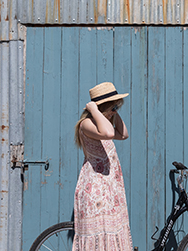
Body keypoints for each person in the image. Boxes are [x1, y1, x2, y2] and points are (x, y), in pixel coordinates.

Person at [72, 82, 133, 251]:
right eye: (113, 107)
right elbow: (108, 133)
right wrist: (94, 110)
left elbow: (123, 134)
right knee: (100, 234)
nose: (115, 110)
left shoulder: (101, 123)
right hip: (96, 188)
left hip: (109, 187)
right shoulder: (87, 124)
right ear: (101, 107)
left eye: (117, 107)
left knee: (112, 232)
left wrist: (113, 113)